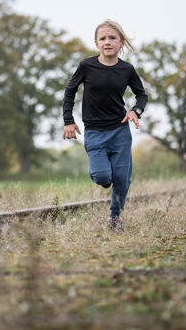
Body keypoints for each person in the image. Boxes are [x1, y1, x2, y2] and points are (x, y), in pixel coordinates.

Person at [62, 20, 148, 231]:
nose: (107, 42)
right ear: (96, 43)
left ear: (121, 43)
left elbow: (141, 95)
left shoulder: (127, 69)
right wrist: (68, 121)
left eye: (112, 38)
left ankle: (115, 218)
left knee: (121, 179)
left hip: (120, 131)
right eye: (103, 38)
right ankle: (104, 176)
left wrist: (135, 111)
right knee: (102, 176)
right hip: (94, 132)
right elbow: (70, 91)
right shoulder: (86, 66)